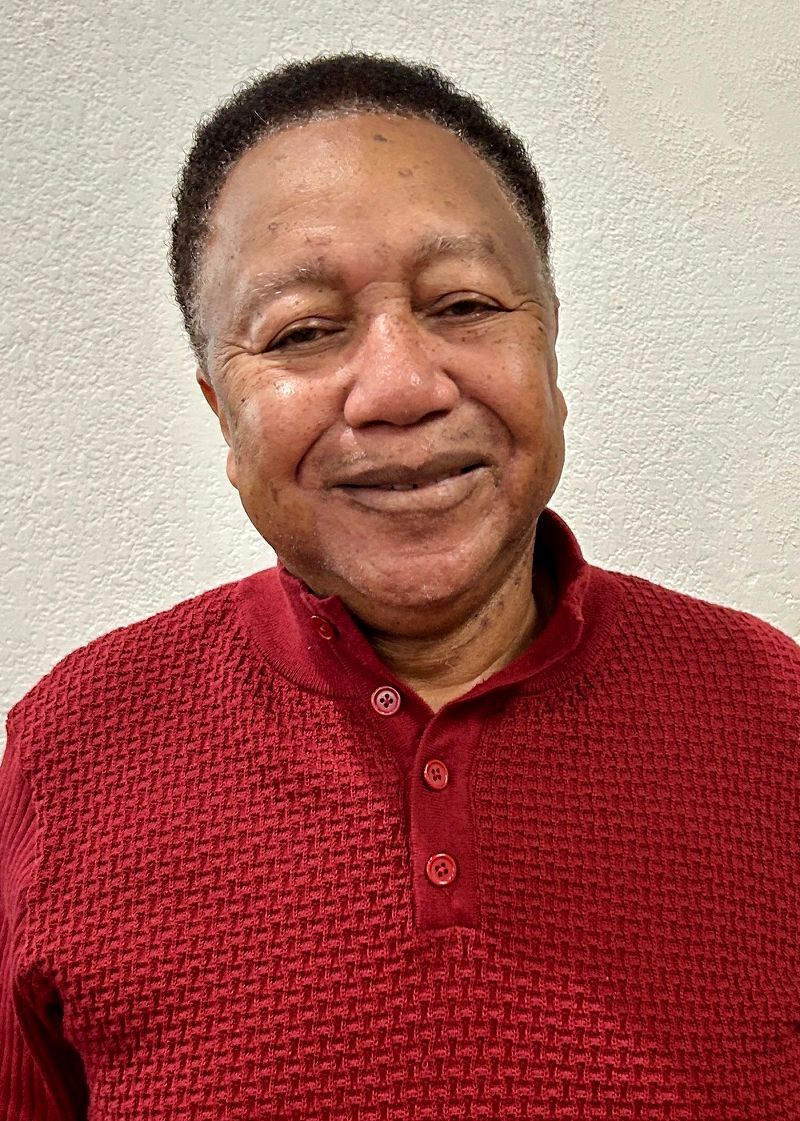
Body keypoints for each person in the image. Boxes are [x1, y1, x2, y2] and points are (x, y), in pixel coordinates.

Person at [1, 51, 797, 1121]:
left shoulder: (774, 712)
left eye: (463, 304)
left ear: (549, 347)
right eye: (302, 331)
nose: (399, 387)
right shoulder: (72, 746)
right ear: (220, 410)